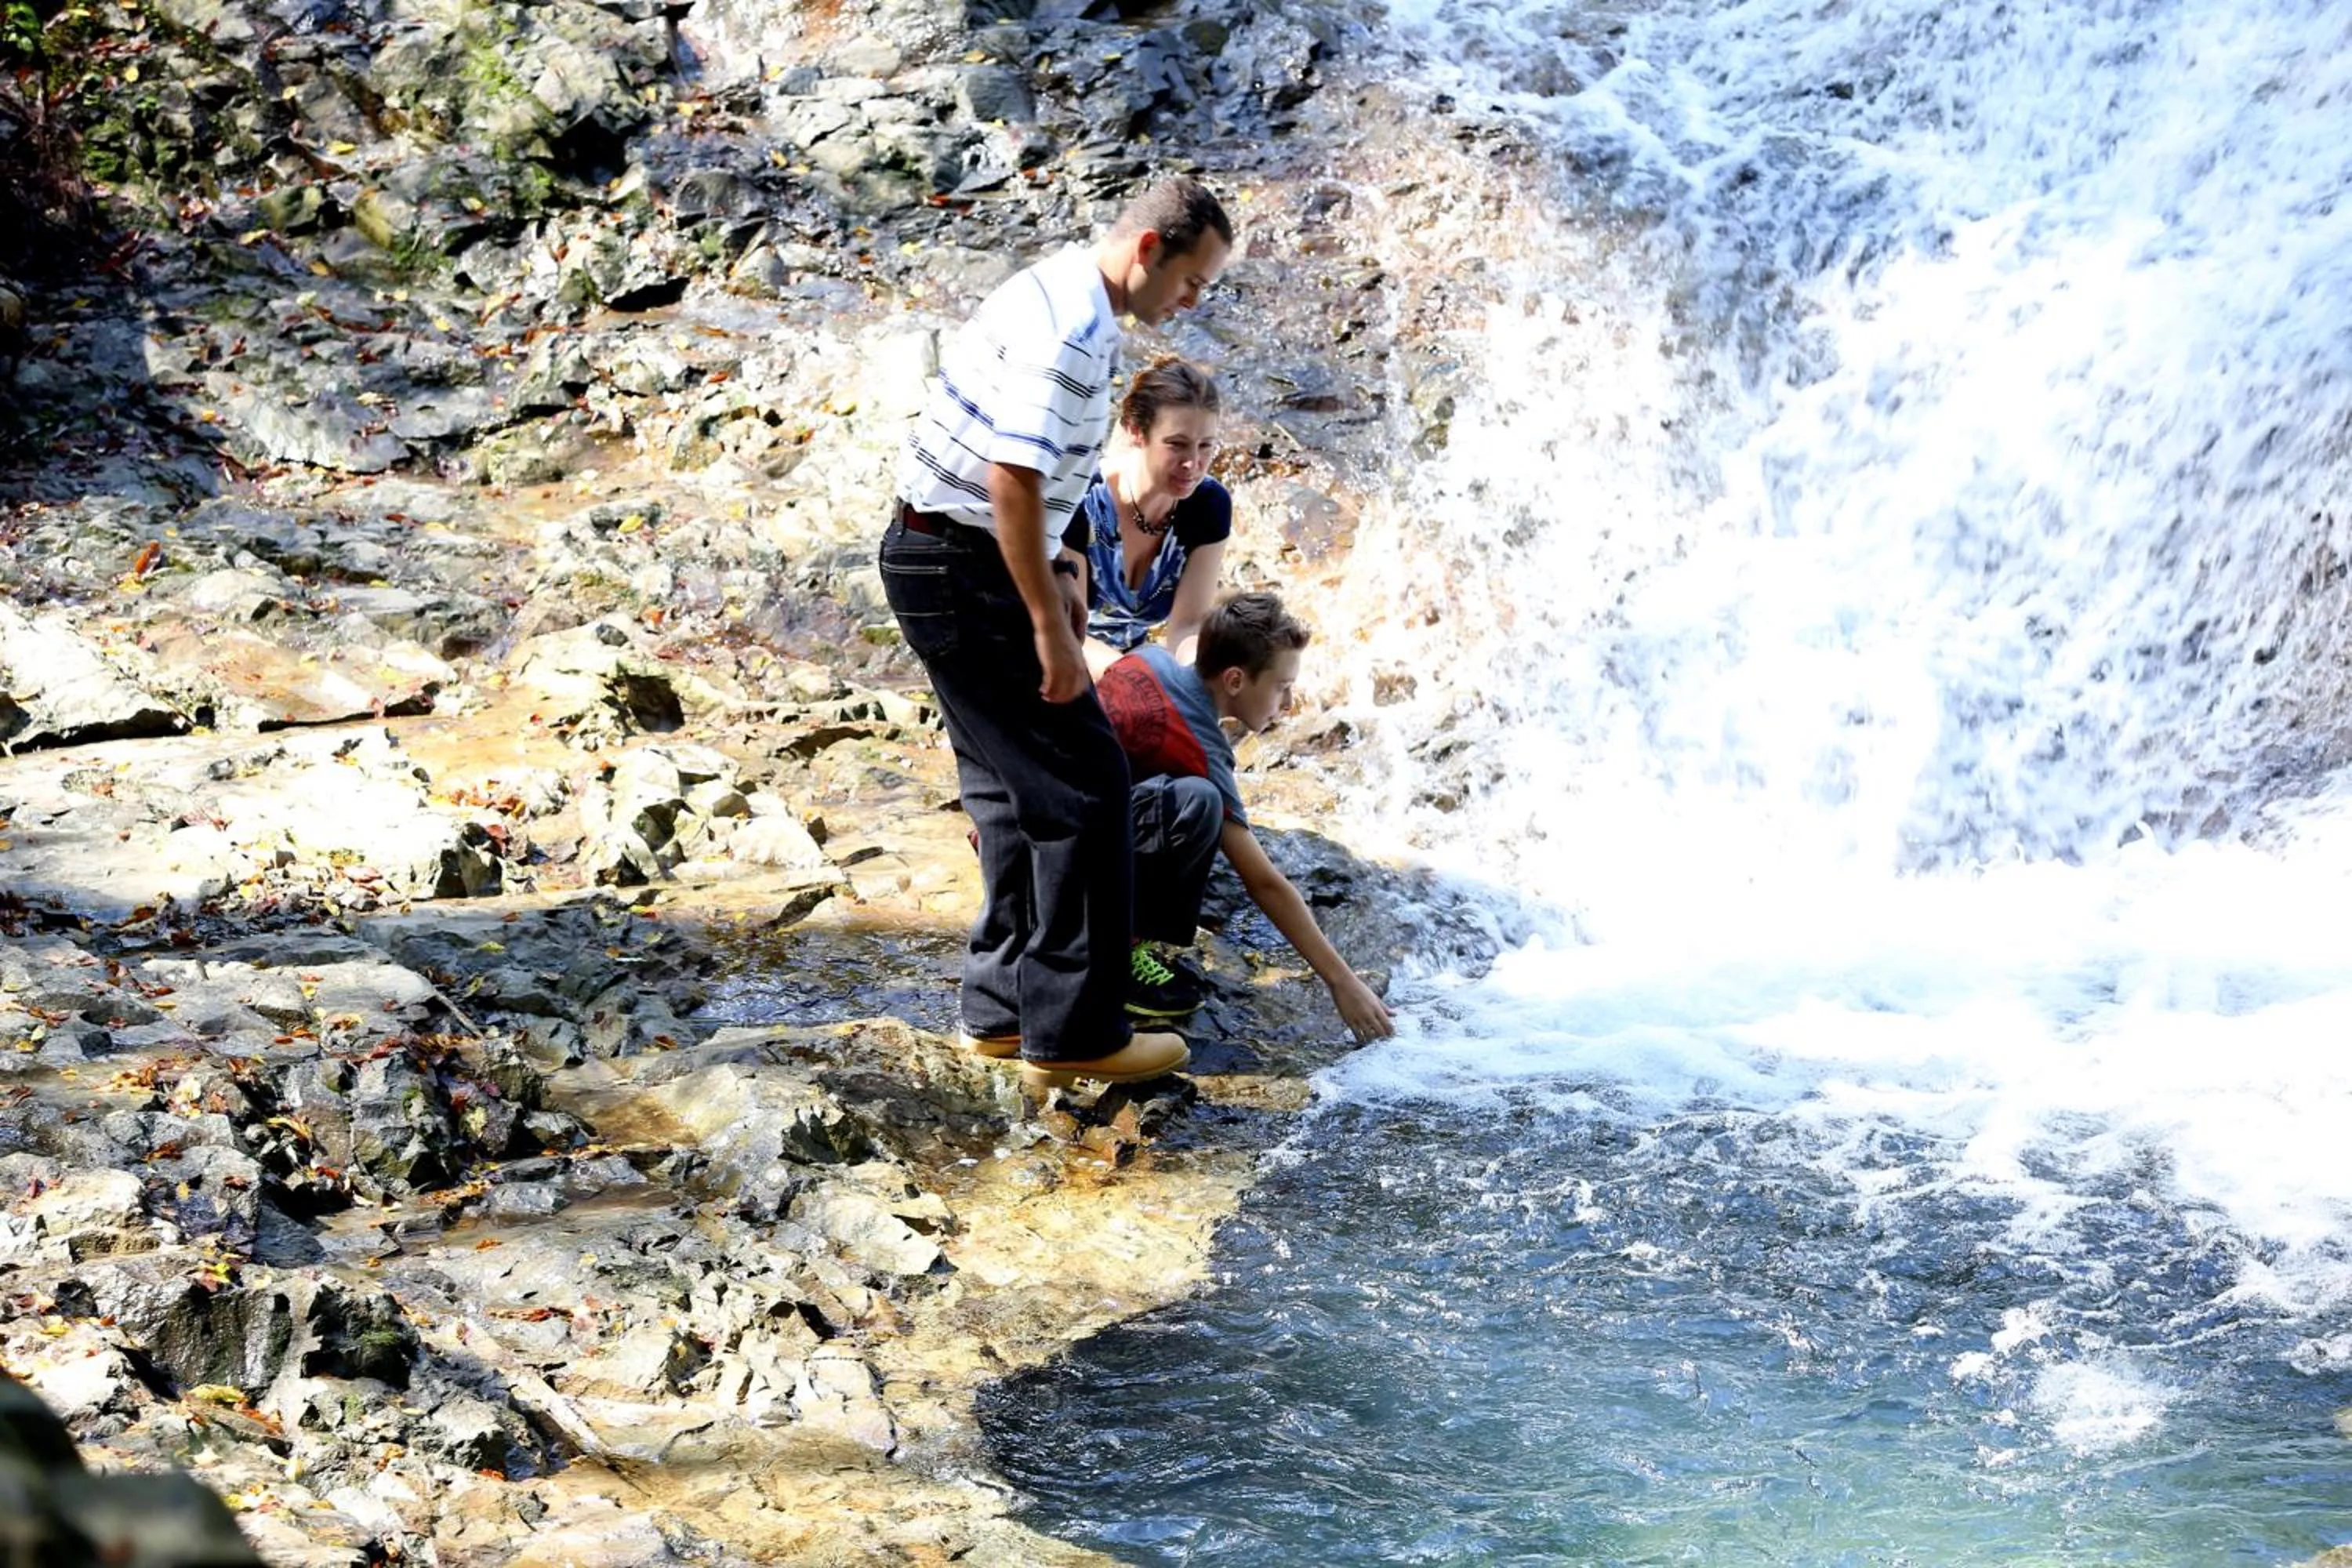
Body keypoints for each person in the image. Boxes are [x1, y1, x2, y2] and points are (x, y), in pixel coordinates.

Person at [880, 175, 1234, 1090]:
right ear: (1150, 250)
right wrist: (1047, 625)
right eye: (1194, 281)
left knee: (1007, 790)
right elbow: (1011, 477)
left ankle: (1001, 1011)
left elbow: (1039, 480)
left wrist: (1067, 569)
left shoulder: (1058, 289)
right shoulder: (1077, 332)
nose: (1192, 303)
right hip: (968, 564)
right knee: (1087, 786)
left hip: (932, 552)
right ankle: (1075, 1031)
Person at [1095, 591, 1397, 1043]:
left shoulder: (1149, 659)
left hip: (1029, 843)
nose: (1290, 703)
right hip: (1054, 874)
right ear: (1235, 680)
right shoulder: (1199, 746)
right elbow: (1264, 881)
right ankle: (1112, 960)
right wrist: (1342, 982)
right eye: (1282, 686)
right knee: (1199, 804)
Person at [1065, 358, 1229, 676]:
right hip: (1058, 661)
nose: (1193, 463)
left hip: (1132, 669)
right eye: (1177, 445)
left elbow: (1189, 625)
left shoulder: (1209, 505)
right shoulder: (1079, 497)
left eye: (1206, 446)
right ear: (1135, 431)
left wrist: (1194, 677)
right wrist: (1146, 682)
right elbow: (1069, 632)